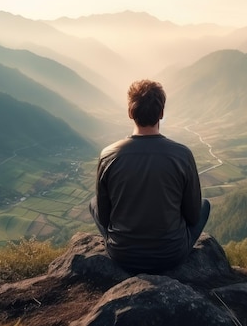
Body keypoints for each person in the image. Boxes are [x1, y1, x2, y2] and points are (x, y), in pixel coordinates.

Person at [89, 79, 210, 273]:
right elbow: (193, 216)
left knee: (93, 202)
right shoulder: (182, 155)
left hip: (123, 255)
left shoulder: (108, 155)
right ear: (161, 113)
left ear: (130, 112)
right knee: (205, 205)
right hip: (171, 255)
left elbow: (104, 218)